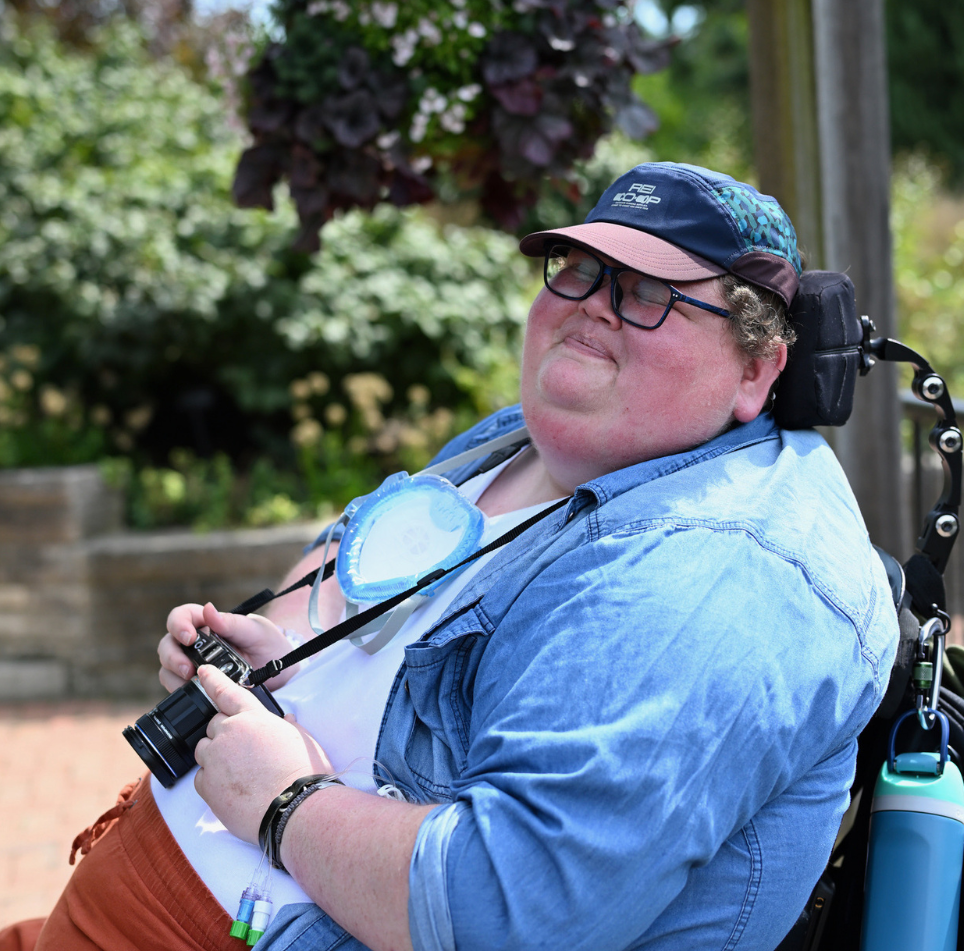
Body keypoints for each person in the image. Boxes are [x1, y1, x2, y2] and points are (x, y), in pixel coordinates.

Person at [7, 162, 898, 951]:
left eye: (648, 291)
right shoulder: (525, 441)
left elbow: (502, 910)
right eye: (581, 269)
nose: (591, 301)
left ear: (757, 370)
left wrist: (284, 808)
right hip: (125, 893)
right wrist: (280, 661)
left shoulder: (723, 575)